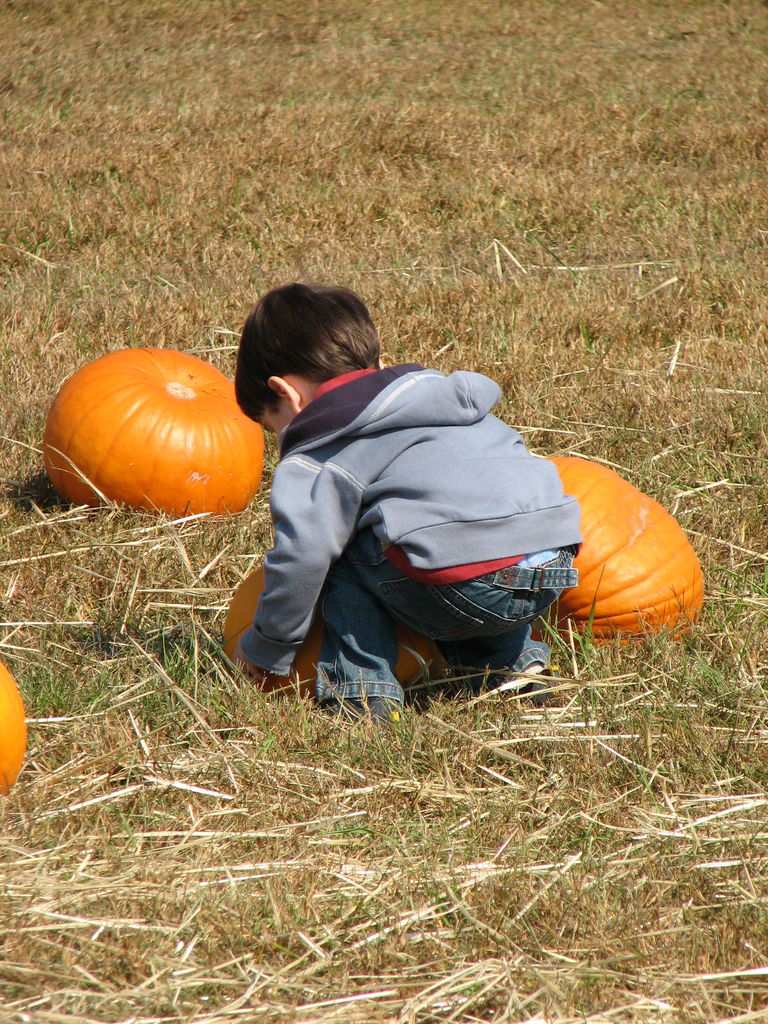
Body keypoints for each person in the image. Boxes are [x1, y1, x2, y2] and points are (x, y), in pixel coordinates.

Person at [232, 282, 582, 723]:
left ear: (287, 394)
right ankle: (514, 671)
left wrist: (267, 650)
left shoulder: (319, 450)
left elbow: (303, 558)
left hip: (461, 584)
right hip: (553, 564)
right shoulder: (447, 401)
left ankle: (362, 696)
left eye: (275, 427)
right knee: (466, 532)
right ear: (377, 364)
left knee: (339, 551)